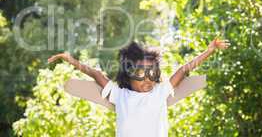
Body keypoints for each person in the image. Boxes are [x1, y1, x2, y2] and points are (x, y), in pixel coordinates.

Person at [47, 37, 230, 137]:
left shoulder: (160, 92)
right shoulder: (120, 95)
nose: (147, 79)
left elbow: (183, 70)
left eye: (152, 74)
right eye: (141, 74)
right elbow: (96, 74)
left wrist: (209, 50)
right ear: (128, 74)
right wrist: (69, 59)